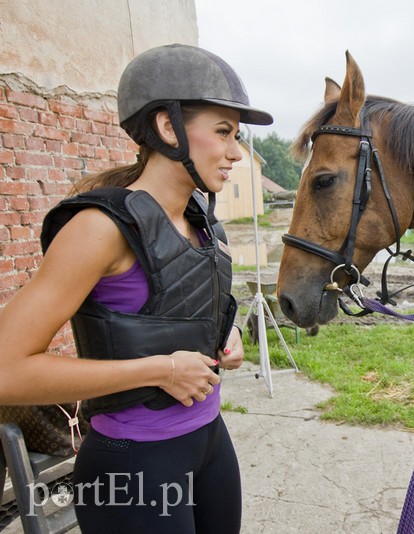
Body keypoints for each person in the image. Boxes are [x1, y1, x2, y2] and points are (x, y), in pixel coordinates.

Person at [0, 44, 273, 532]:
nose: (236, 151)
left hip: (210, 443)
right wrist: (163, 369)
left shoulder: (204, 224)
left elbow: (177, 317)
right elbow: (7, 371)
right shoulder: (97, 228)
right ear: (168, 128)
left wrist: (218, 342)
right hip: (134, 467)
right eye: (224, 132)